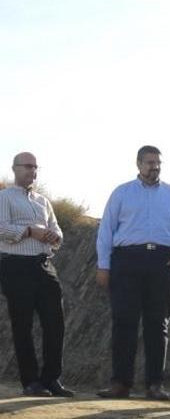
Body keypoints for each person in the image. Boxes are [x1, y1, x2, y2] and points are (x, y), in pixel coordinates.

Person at [95, 145, 170, 400]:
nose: (155, 167)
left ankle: (155, 385)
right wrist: (104, 266)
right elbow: (106, 230)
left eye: (158, 162)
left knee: (157, 324)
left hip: (164, 262)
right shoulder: (122, 193)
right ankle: (121, 384)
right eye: (150, 162)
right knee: (124, 322)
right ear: (138, 164)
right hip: (127, 261)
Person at [0, 152, 74, 398]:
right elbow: (1, 228)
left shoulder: (43, 201)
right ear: (14, 168)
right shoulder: (4, 197)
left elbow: (57, 230)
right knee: (23, 325)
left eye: (35, 167)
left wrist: (55, 236)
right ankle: (30, 382)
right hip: (16, 266)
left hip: (43, 265)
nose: (32, 171)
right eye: (27, 166)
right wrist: (30, 231)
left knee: (55, 323)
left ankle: (51, 379)